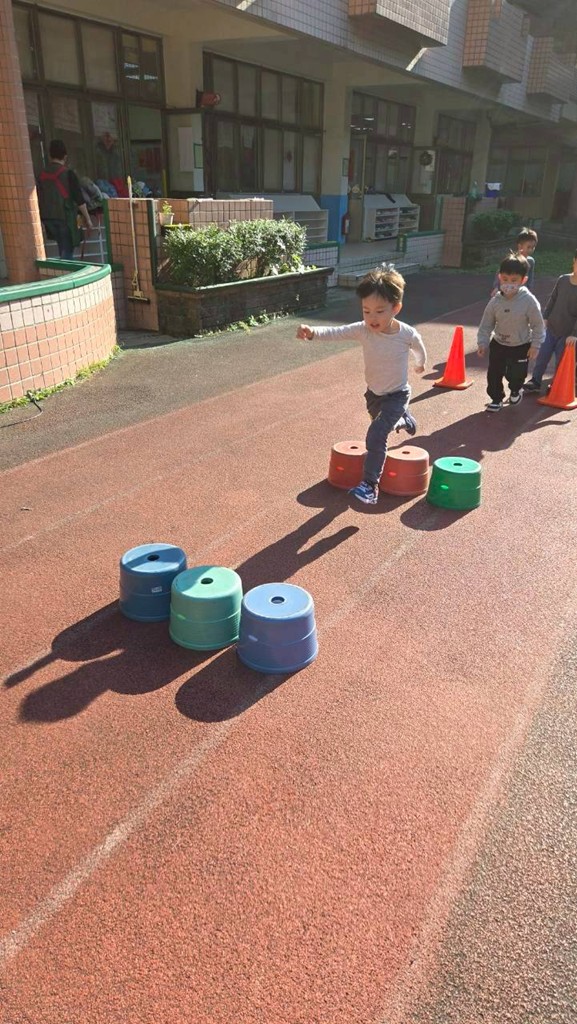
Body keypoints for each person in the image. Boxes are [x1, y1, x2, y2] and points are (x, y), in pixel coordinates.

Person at [296, 267, 427, 506]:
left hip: (398, 395)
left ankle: (369, 485)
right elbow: (337, 332)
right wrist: (313, 332)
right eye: (366, 311)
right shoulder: (363, 330)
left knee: (376, 435)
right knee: (381, 427)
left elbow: (419, 347)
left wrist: (420, 364)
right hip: (374, 395)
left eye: (379, 311)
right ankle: (405, 420)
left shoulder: (406, 333)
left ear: (396, 308)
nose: (372, 318)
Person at [478, 253, 545, 411]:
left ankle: (516, 389)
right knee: (494, 374)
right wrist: (482, 342)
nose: (509, 284)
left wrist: (535, 345)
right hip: (499, 344)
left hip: (520, 345)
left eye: (514, 280)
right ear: (499, 277)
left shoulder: (529, 301)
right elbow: (486, 324)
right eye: (505, 279)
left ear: (523, 280)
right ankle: (496, 398)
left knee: (516, 375)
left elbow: (538, 325)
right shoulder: (495, 301)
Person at [523, 250, 577, 393]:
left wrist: (574, 334)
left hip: (567, 334)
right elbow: (552, 300)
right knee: (542, 356)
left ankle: (557, 384)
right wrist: (545, 317)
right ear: (574, 261)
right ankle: (535, 380)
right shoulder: (563, 280)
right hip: (551, 328)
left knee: (561, 360)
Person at [37, 140, 92, 260]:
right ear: (65, 156)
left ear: (50, 156)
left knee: (62, 248)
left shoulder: (41, 175)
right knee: (67, 252)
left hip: (47, 219)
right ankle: (66, 270)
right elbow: (79, 199)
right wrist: (88, 219)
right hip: (65, 218)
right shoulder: (68, 173)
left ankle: (63, 267)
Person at [491, 227, 538, 296]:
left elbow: (530, 279)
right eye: (528, 247)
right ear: (520, 246)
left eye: (533, 247)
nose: (531, 250)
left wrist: (529, 291)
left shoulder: (531, 261)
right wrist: (496, 287)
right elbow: (500, 274)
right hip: (508, 290)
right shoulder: (511, 260)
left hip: (521, 293)